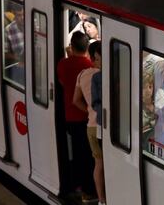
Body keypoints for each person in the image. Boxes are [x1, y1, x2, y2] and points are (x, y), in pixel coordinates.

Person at [57, 31, 96, 202]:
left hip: (70, 116)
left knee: (78, 154)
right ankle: (89, 189)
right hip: (86, 119)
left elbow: (63, 82)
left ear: (71, 47)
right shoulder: (90, 66)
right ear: (88, 49)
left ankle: (77, 185)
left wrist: (69, 56)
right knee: (88, 157)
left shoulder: (63, 64)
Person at [72, 41, 106, 205]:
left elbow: (75, 100)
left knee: (98, 164)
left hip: (90, 126)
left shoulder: (82, 74)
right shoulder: (101, 76)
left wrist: (89, 112)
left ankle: (101, 200)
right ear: (95, 58)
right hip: (102, 126)